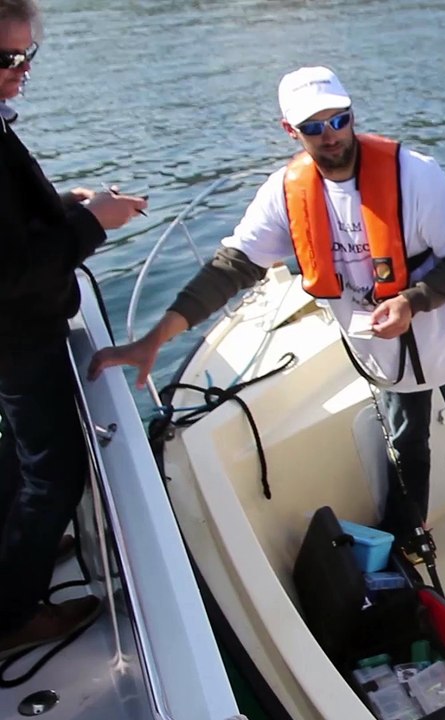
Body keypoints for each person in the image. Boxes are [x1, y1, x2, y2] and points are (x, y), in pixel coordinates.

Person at [89, 66, 445, 621]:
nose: (331, 134)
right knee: (402, 446)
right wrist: (157, 336)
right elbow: (233, 266)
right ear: (289, 130)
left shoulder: (415, 176)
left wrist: (414, 301)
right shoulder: (285, 193)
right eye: (314, 126)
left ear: (352, 115)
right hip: (382, 355)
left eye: (339, 119)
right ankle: (404, 542)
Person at [0, 0, 148, 658]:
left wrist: (67, 206)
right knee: (53, 472)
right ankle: (10, 614)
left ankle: (14, 550)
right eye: (8, 59)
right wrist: (95, 224)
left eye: (28, 55)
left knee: (20, 456)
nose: (22, 69)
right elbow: (13, 272)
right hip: (16, 338)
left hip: (17, 336)